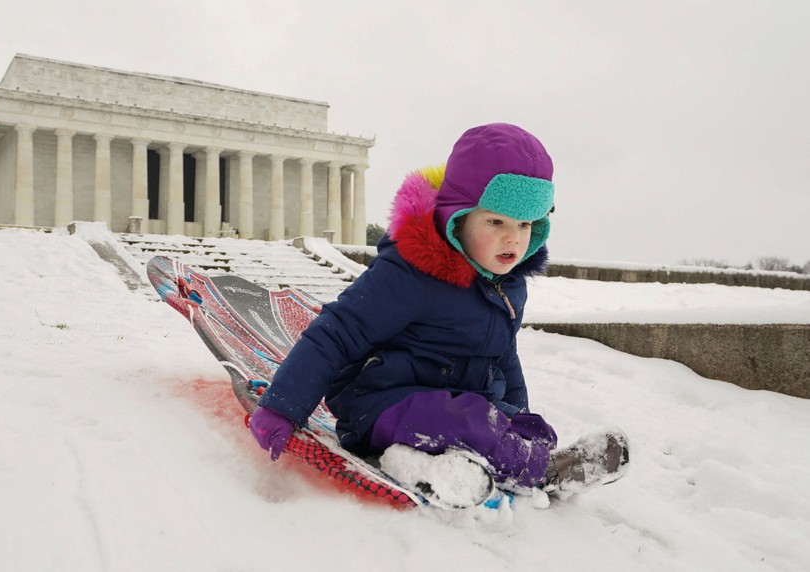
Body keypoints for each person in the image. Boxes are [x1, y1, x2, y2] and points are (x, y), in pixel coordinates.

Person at [249, 122, 627, 498]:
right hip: (380, 403)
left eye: (525, 223)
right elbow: (338, 331)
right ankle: (539, 472)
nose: (513, 237)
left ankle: (485, 462)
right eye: (496, 221)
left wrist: (514, 416)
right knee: (466, 420)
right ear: (458, 218)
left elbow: (504, 355)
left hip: (462, 403)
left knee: (518, 424)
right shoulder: (410, 273)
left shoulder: (508, 286)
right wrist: (283, 406)